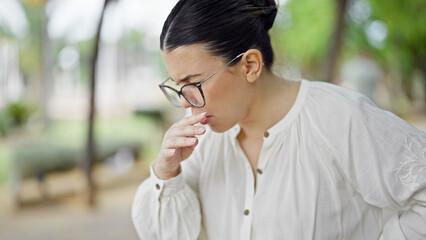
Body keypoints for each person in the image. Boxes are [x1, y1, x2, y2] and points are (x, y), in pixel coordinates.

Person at [131, 0, 426, 239]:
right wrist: (166, 172)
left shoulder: (339, 117)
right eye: (177, 87)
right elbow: (163, 232)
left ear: (250, 65)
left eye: (193, 83)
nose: (184, 100)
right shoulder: (200, 143)